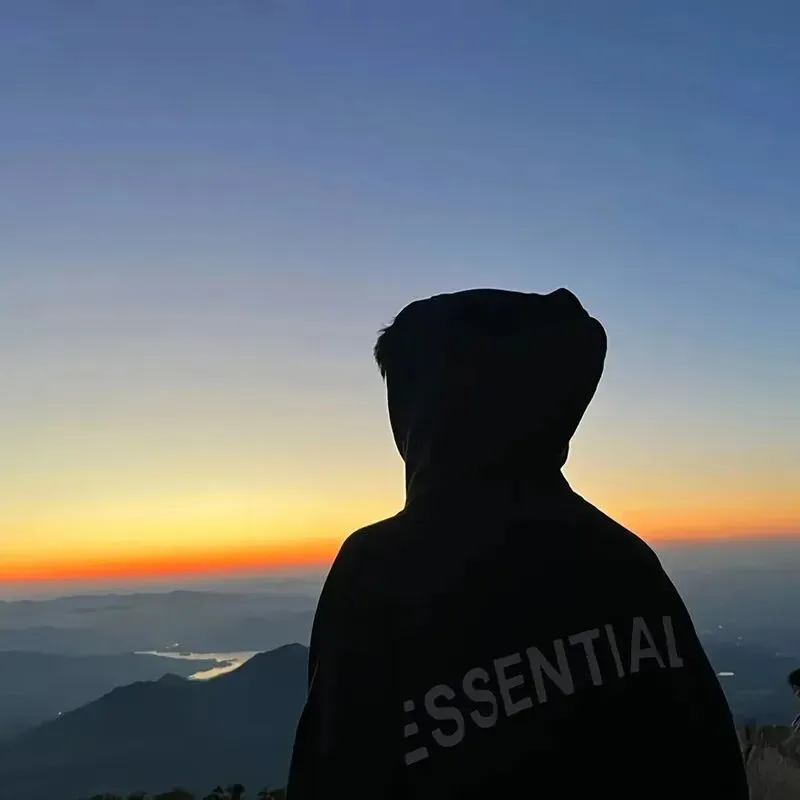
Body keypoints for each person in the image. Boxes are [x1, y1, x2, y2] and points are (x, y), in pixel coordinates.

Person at [285, 288, 748, 799]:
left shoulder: (379, 572)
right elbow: (714, 763)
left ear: (421, 409)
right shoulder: (625, 561)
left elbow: (333, 777)